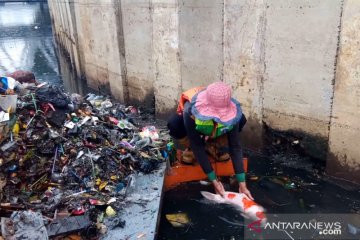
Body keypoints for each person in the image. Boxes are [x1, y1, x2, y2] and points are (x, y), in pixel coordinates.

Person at [167, 81, 253, 200]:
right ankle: (190, 150)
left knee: (242, 119)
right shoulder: (190, 110)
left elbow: (235, 146)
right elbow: (197, 144)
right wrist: (214, 180)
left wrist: (242, 183)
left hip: (215, 132)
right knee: (174, 124)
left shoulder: (233, 113)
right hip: (195, 132)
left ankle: (214, 146)